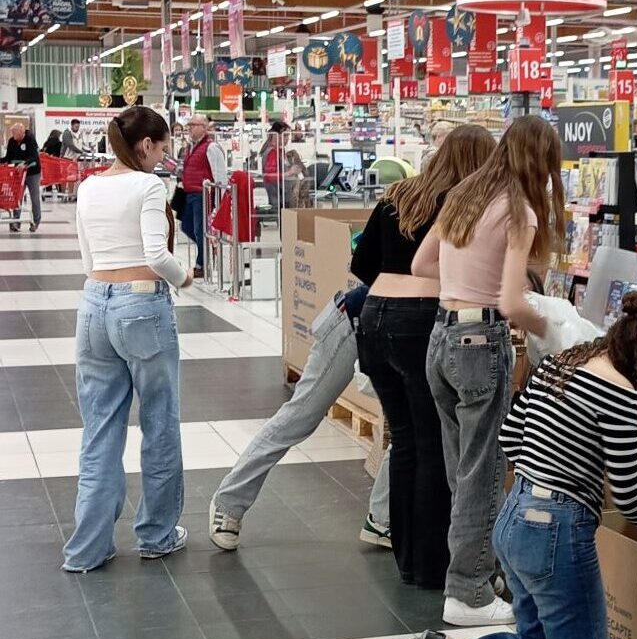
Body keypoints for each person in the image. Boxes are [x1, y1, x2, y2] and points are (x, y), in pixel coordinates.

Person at [363, 293, 637, 639]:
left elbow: (509, 437)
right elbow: (628, 496)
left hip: (514, 518)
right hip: (557, 534)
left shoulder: (561, 363)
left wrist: (541, 476)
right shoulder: (620, 392)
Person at [410, 115, 564, 627]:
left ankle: (480, 571)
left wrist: (467, 279)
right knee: (485, 473)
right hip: (480, 344)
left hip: (441, 338)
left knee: (463, 471)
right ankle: (468, 591)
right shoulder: (520, 212)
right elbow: (513, 304)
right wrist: (556, 328)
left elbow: (422, 265)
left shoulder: (464, 196)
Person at [352, 125, 496, 590]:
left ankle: (407, 560)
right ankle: (433, 566)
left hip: (375, 317)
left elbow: (361, 264)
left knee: (405, 442)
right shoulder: (465, 204)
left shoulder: (398, 194)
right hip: (421, 321)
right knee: (434, 444)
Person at [62, 106, 193, 572]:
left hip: (93, 305)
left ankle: (87, 548)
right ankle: (157, 535)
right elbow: (157, 255)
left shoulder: (88, 186)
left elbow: (87, 259)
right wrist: (184, 277)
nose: (163, 156)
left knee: (99, 429)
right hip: (141, 307)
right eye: (162, 147)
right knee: (159, 424)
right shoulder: (148, 186)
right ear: (146, 145)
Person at [209, 285, 394, 550]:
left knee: (411, 428)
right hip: (354, 320)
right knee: (301, 415)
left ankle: (383, 519)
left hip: (402, 331)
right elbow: (364, 264)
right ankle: (229, 502)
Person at [180, 114, 226, 279]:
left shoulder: (211, 147)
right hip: (189, 193)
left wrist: (219, 199)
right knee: (186, 227)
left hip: (202, 194)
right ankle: (207, 250)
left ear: (204, 128)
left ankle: (202, 264)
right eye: (189, 125)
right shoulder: (191, 147)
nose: (189, 128)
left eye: (193, 125)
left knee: (200, 230)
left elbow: (219, 174)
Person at [2, 122, 42, 233]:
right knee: (17, 197)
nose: (12, 135)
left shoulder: (30, 140)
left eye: (14, 132)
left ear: (21, 132)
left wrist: (25, 163)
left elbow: (34, 156)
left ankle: (35, 221)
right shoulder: (12, 141)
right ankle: (16, 222)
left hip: (33, 173)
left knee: (34, 197)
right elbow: (9, 158)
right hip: (18, 174)